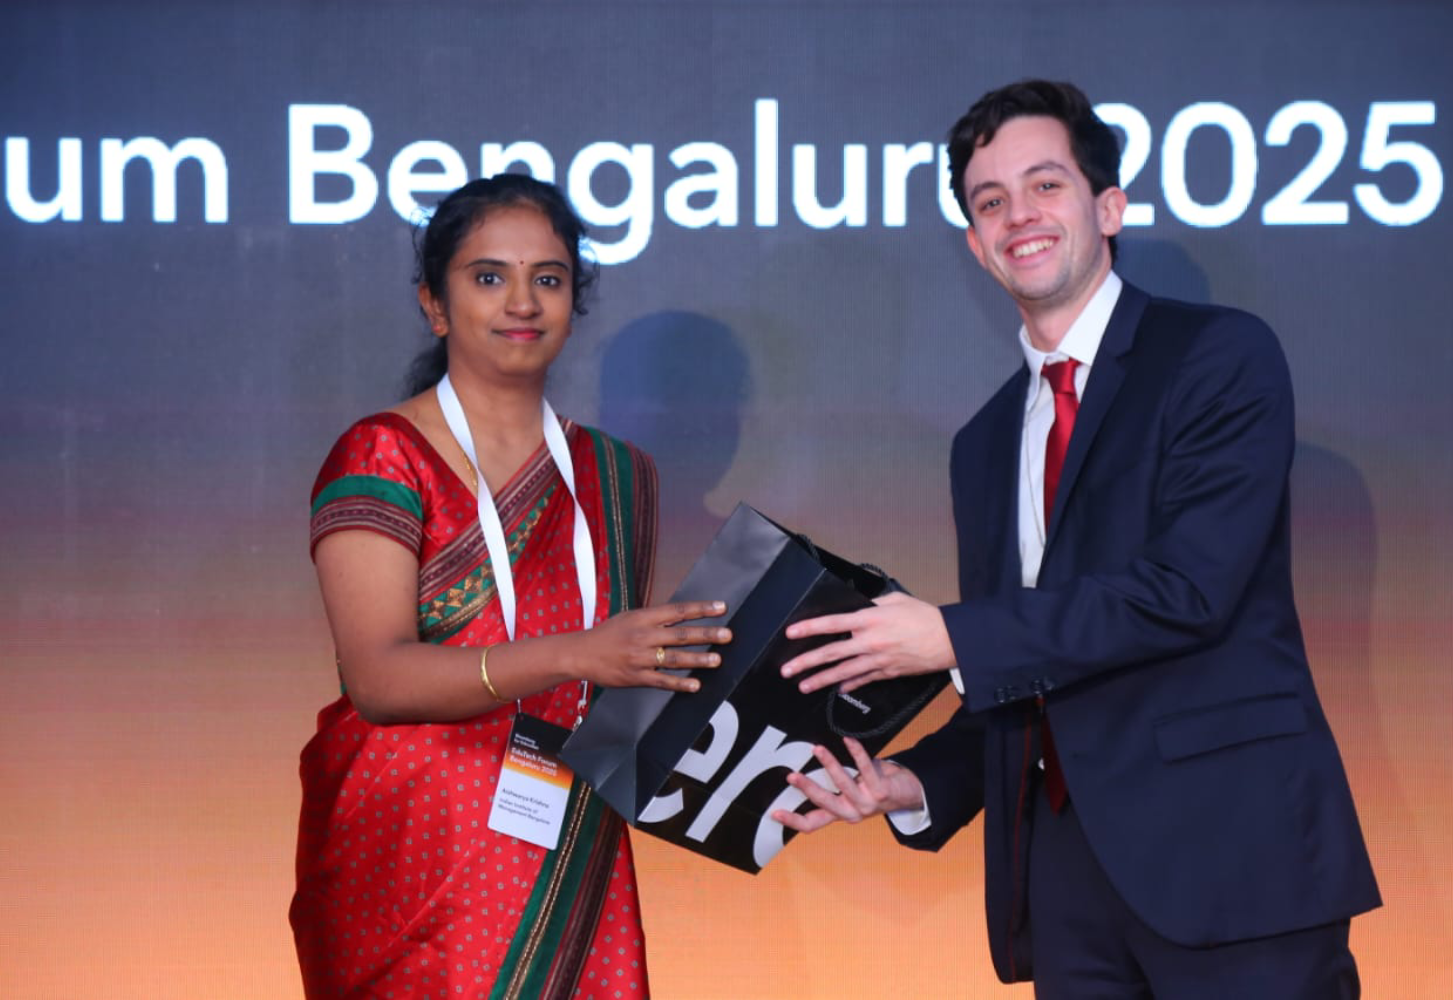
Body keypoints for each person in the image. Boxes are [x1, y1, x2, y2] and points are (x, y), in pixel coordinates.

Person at [774, 80, 1380, 998]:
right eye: (990, 202)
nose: (1019, 214)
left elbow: (1188, 590)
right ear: (976, 248)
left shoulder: (1218, 357)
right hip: (1062, 884)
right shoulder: (982, 444)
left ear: (1109, 206)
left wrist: (951, 635)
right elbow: (1025, 671)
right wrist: (916, 783)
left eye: (1045, 185)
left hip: (1233, 859)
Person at [289, 174, 730, 1000]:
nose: (522, 301)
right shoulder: (382, 454)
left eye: (549, 279)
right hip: (414, 854)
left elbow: (622, 695)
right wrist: (578, 653)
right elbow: (378, 680)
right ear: (434, 304)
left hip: (566, 844)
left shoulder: (619, 474)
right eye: (489, 276)